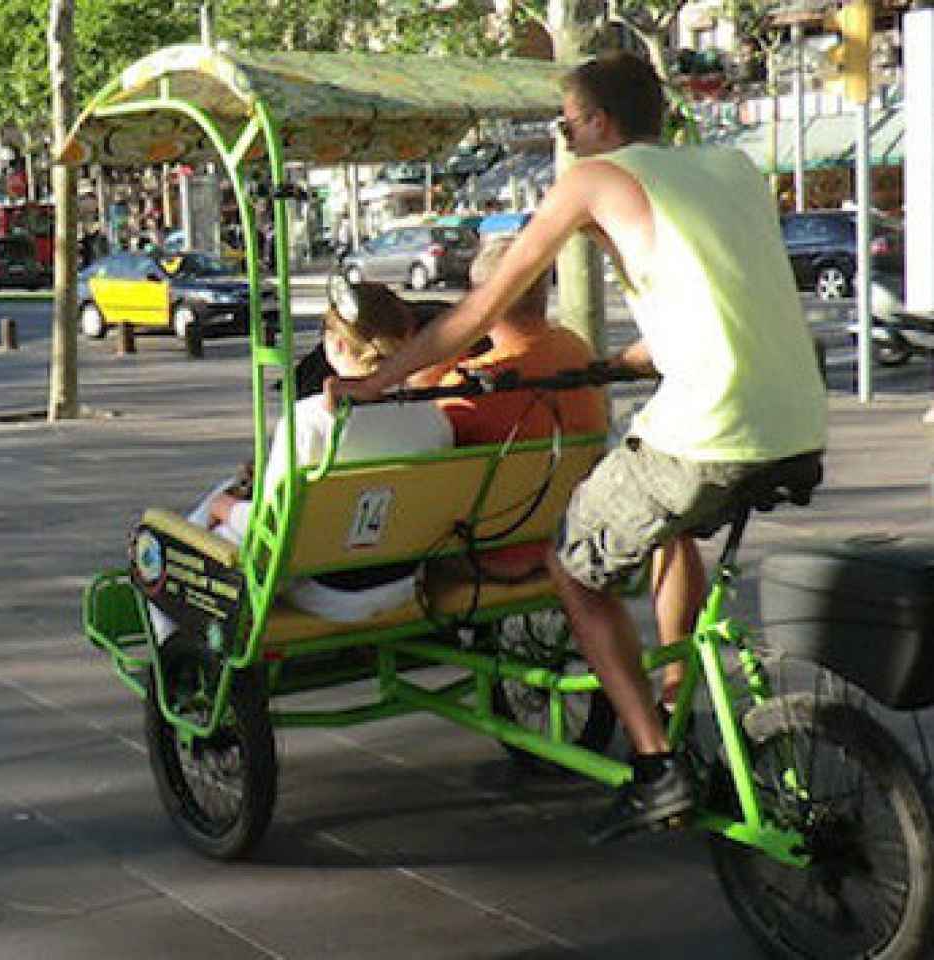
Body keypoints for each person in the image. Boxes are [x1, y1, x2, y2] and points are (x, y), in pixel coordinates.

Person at [326, 52, 827, 842]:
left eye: (566, 125)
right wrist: (624, 359)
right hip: (799, 417)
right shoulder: (731, 166)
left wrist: (376, 381)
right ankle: (679, 688)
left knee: (573, 565)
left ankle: (656, 763)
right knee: (671, 527)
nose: (566, 140)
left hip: (714, 423)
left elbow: (479, 310)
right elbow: (722, 303)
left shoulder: (592, 182)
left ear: (596, 121)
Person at [174, 282, 453, 627]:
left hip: (329, 590)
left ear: (335, 344)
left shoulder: (312, 420)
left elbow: (272, 531)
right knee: (231, 496)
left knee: (170, 546)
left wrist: (224, 508)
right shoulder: (433, 419)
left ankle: (171, 648)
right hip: (402, 583)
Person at [413, 235, 607, 583]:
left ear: (484, 302)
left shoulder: (471, 385)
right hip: (568, 540)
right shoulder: (577, 351)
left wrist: (462, 337)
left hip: (493, 551)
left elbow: (417, 400)